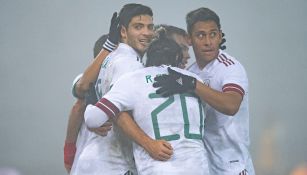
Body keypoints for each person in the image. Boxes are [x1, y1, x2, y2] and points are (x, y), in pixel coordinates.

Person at [84, 31, 209, 175]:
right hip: (199, 168)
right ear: (177, 57)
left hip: (158, 168)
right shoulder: (195, 80)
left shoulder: (134, 79)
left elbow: (93, 120)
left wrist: (90, 103)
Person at [152, 7, 255, 175]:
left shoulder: (230, 68)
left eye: (213, 34)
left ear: (220, 36)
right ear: (189, 39)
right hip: (204, 166)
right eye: (201, 35)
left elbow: (231, 105)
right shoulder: (190, 73)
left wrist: (193, 85)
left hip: (233, 166)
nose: (208, 42)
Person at [70, 4, 163, 175]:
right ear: (123, 32)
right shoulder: (129, 65)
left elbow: (82, 88)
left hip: (95, 158)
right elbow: (118, 112)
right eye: (138, 27)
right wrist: (150, 144)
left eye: (150, 27)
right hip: (112, 163)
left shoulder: (111, 58)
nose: (147, 32)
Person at [64, 34, 113, 173]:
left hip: (105, 158)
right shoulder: (85, 80)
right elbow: (78, 105)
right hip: (95, 157)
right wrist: (69, 151)